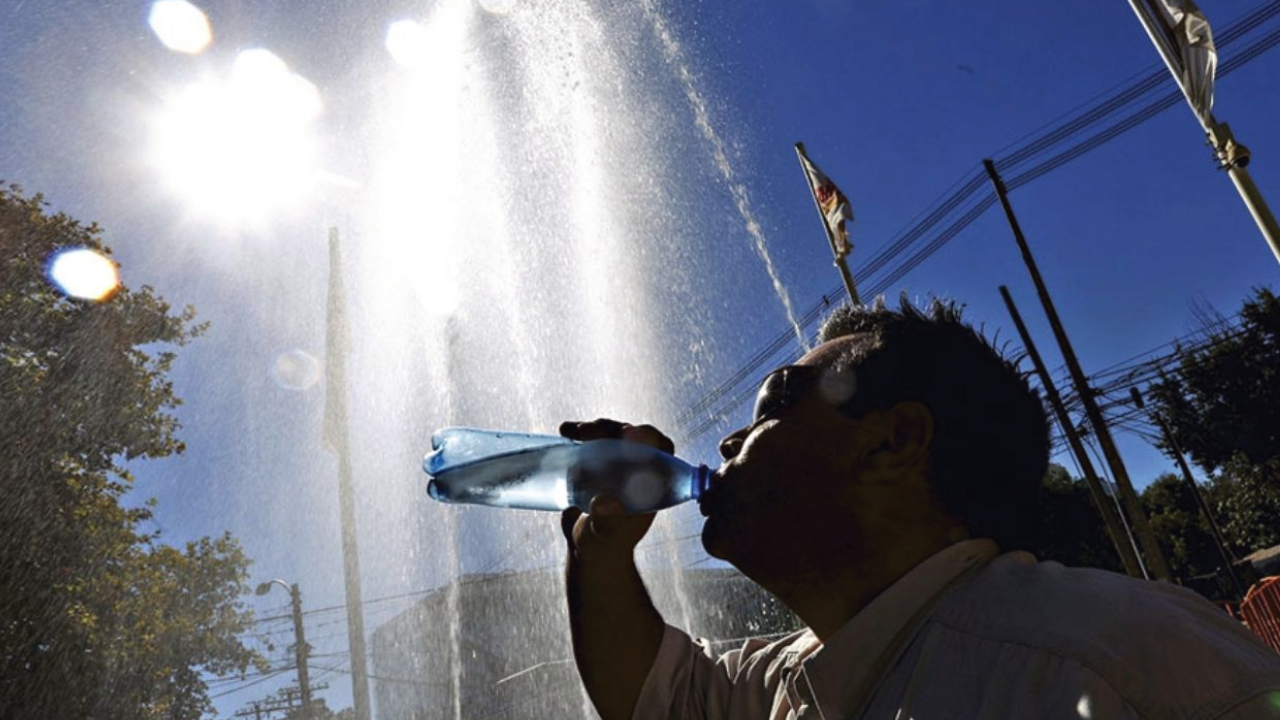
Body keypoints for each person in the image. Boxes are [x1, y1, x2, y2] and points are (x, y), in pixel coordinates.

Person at [558, 297, 1280, 720]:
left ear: (893, 442)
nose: (730, 438)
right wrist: (599, 550)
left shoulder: (1115, 656)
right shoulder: (802, 676)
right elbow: (655, 693)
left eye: (776, 397)